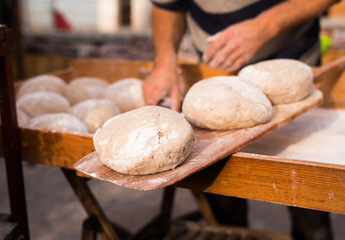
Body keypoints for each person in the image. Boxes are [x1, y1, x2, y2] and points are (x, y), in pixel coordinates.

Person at [142, 1, 338, 240]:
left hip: (293, 76)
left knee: (309, 195)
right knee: (224, 207)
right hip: (217, 79)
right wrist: (164, 60)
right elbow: (167, 7)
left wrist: (266, 26)